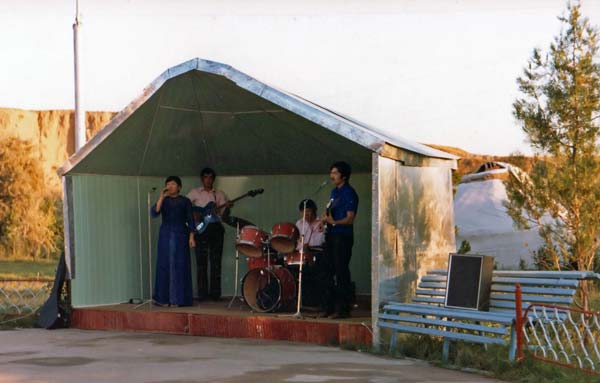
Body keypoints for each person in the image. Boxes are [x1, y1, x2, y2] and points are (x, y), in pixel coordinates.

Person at [187, 167, 231, 301]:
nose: (208, 180)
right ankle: (202, 295)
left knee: (216, 262)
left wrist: (226, 208)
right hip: (200, 229)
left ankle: (215, 294)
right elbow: (186, 208)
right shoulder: (194, 193)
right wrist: (196, 215)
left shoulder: (220, 194)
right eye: (206, 177)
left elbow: (223, 216)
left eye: (211, 177)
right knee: (201, 263)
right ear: (202, 179)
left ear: (214, 179)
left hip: (216, 228)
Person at [321, 161, 359, 319]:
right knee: (327, 270)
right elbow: (331, 214)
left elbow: (350, 218)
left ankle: (343, 309)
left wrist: (333, 222)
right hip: (331, 234)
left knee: (341, 271)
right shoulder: (334, 192)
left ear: (343, 175)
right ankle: (328, 306)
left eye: (335, 173)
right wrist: (325, 221)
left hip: (342, 236)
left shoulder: (349, 193)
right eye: (331, 172)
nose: (332, 176)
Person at [151, 176, 195, 307]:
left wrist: (191, 237)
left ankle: (179, 299)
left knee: (180, 265)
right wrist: (161, 196)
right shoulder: (164, 200)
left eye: (173, 184)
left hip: (181, 234)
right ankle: (163, 299)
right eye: (167, 184)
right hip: (165, 234)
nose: (170, 186)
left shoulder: (185, 201)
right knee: (165, 264)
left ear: (179, 187)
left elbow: (190, 220)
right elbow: (155, 212)